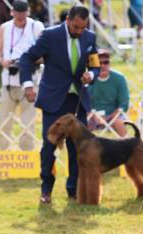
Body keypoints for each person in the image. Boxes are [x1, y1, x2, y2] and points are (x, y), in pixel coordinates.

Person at [20, 5, 100, 204]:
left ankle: (73, 190)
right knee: (49, 147)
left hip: (77, 100)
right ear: (68, 21)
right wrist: (28, 84)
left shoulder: (90, 38)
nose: (79, 32)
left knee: (78, 149)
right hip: (54, 101)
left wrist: (91, 74)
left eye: (82, 28)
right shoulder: (49, 35)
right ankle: (46, 188)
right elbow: (26, 58)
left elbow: (95, 65)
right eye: (75, 27)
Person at [0, 0, 44, 151]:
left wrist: (27, 61)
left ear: (28, 12)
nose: (20, 16)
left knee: (28, 122)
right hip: (9, 79)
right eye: (17, 12)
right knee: (4, 121)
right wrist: (3, 61)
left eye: (23, 12)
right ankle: (4, 154)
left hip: (30, 80)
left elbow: (45, 53)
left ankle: (27, 155)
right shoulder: (5, 28)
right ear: (12, 12)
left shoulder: (36, 27)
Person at [87, 49, 130, 137]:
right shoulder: (89, 78)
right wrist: (94, 117)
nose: (103, 65)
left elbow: (124, 104)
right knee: (81, 126)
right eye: (100, 63)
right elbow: (86, 103)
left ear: (110, 63)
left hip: (115, 115)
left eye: (106, 62)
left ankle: (127, 147)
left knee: (118, 122)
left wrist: (109, 117)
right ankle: (81, 150)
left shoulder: (119, 78)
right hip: (93, 116)